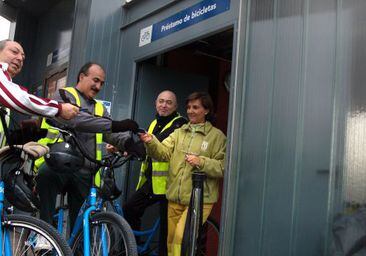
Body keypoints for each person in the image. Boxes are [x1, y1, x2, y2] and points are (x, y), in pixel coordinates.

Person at [0, 39, 79, 235]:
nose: (20, 58)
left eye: (23, 57)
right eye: (15, 51)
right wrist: (58, 108)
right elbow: (14, 96)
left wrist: (23, 142)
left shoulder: (2, 86)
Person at [35, 61, 140, 231]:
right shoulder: (63, 95)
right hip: (60, 164)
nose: (98, 86)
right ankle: (43, 233)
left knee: (81, 226)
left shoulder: (99, 107)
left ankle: (75, 248)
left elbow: (109, 133)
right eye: (95, 80)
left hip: (85, 171)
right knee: (46, 176)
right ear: (82, 77)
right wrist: (116, 125)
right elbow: (76, 121)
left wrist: (129, 143)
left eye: (101, 83)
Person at [139, 92, 226, 256]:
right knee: (171, 241)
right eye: (188, 107)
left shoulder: (217, 137)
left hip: (199, 200)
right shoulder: (179, 132)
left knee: (180, 239)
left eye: (196, 107)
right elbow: (163, 153)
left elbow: (223, 167)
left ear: (206, 110)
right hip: (174, 198)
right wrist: (151, 142)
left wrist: (201, 162)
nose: (191, 111)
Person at [122, 90, 187, 256]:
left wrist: (131, 148)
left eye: (169, 102)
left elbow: (157, 142)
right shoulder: (154, 123)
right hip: (154, 183)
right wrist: (122, 148)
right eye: (161, 101)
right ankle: (134, 248)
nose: (164, 105)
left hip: (171, 184)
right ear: (156, 103)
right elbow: (143, 143)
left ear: (176, 106)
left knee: (167, 228)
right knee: (130, 209)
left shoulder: (179, 124)